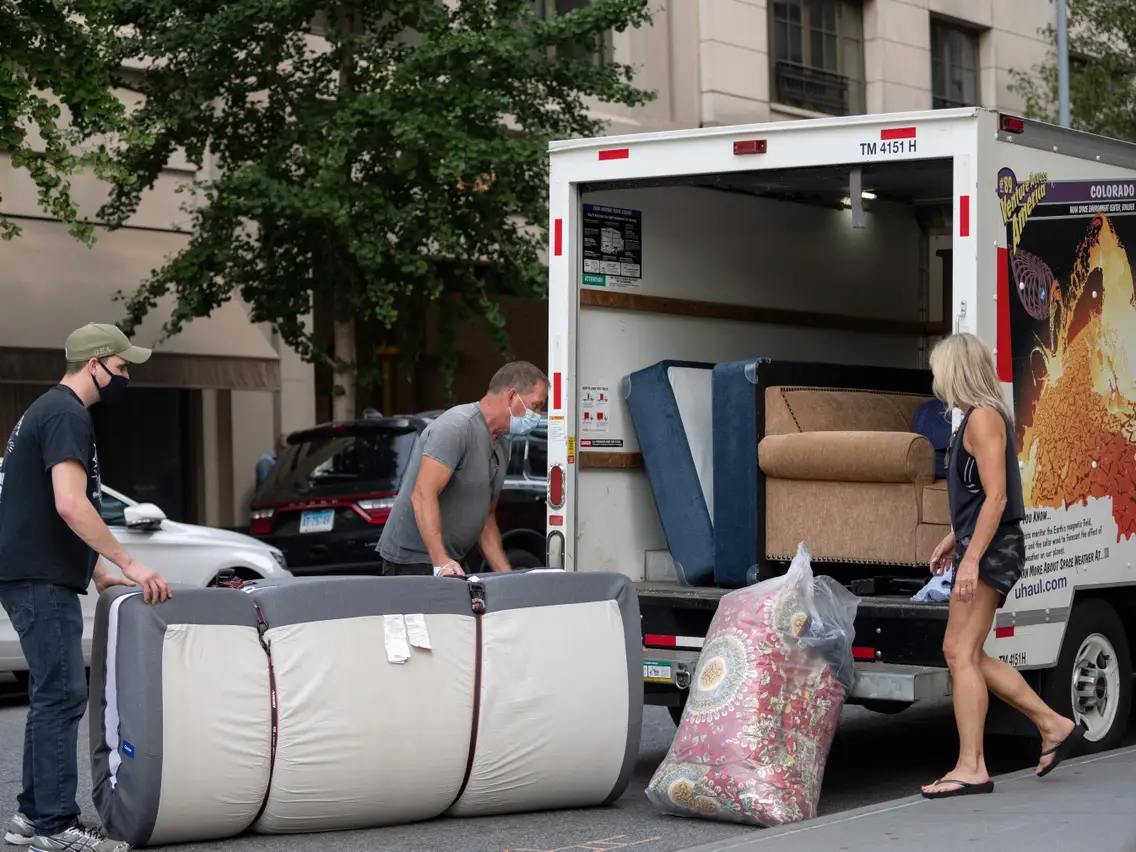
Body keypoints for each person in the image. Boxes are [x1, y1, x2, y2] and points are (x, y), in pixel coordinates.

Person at [0, 323, 172, 852]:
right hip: (39, 578)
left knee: (51, 693)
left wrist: (99, 570)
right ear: (95, 363)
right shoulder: (67, 414)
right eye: (121, 367)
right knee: (63, 694)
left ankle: (33, 819)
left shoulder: (50, 410)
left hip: (35, 571)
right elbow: (69, 503)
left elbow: (50, 504)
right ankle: (53, 827)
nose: (125, 377)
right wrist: (131, 563)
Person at [921, 332, 1084, 800]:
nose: (935, 379)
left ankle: (972, 766)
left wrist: (971, 560)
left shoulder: (984, 419)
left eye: (939, 369)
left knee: (959, 653)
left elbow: (999, 496)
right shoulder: (975, 420)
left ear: (955, 370)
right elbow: (979, 496)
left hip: (994, 550)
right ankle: (1051, 724)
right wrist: (954, 539)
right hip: (985, 545)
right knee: (966, 653)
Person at [377, 361, 548, 577]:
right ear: (512, 396)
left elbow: (485, 517)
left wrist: (506, 574)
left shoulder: (503, 442)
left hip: (453, 562)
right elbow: (422, 494)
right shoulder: (456, 427)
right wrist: (440, 561)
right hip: (413, 563)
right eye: (536, 405)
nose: (538, 414)